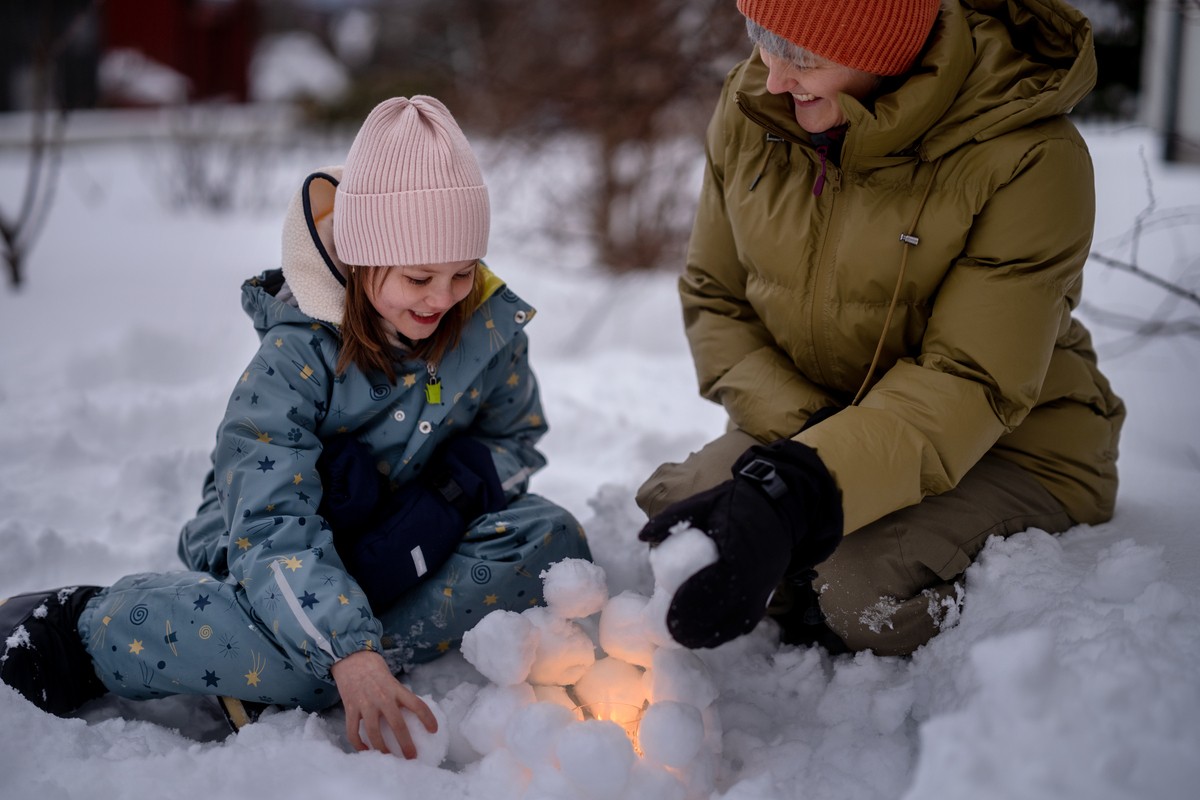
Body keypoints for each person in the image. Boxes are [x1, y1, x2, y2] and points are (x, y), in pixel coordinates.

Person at [0, 96, 590, 758]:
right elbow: (269, 522)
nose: (443, 298)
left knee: (554, 541)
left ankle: (303, 660)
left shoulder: (484, 328)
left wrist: (451, 494)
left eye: (462, 273)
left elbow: (516, 439)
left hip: (415, 539)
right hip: (274, 543)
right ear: (364, 261)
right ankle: (88, 631)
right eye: (420, 276)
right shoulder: (296, 356)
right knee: (329, 649)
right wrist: (350, 650)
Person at [636, 0, 1125, 656]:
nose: (774, 77)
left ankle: (993, 630)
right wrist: (802, 461)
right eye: (761, 38)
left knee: (862, 588)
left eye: (804, 56)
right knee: (688, 517)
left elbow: (970, 380)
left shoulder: (1028, 155)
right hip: (821, 425)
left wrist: (800, 488)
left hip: (1011, 447)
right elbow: (714, 296)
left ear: (886, 46)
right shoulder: (754, 106)